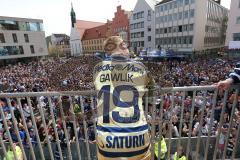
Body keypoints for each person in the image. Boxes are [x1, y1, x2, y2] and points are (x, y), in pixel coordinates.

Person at [93, 36, 154, 160]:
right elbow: (152, 90)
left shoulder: (97, 69)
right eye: (125, 46)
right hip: (138, 140)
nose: (128, 50)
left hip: (107, 143)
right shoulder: (140, 67)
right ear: (121, 47)